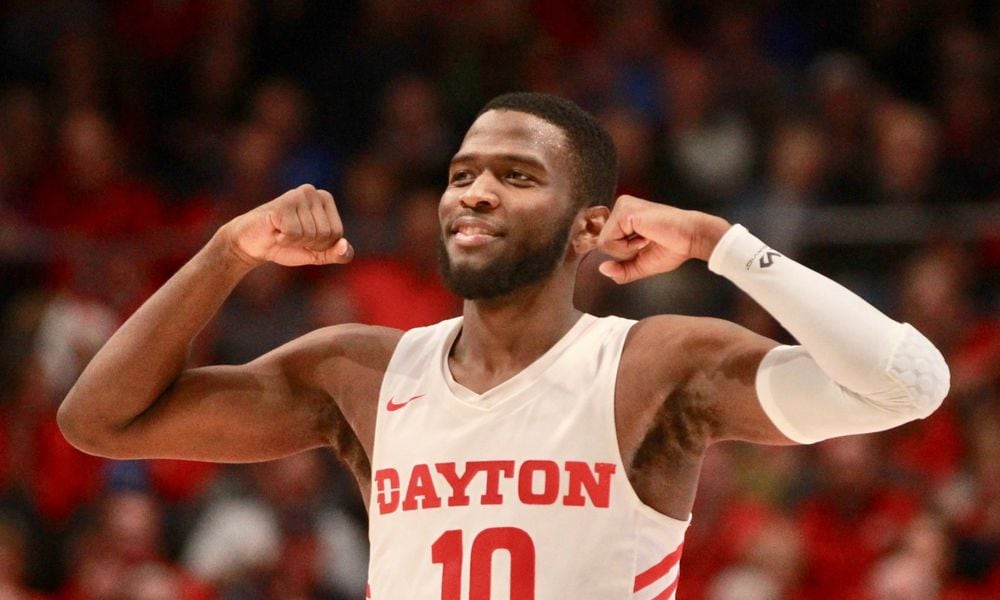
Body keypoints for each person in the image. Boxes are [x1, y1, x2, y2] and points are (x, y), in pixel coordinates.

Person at [57, 93, 950, 599]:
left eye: (516, 177)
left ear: (587, 226)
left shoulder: (650, 366)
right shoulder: (362, 372)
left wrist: (721, 242)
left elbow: (906, 383)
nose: (474, 194)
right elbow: (97, 420)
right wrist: (227, 252)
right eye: (461, 175)